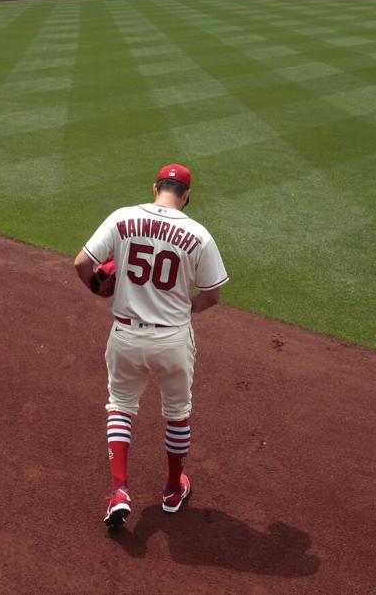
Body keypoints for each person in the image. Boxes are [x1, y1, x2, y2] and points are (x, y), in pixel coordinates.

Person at [73, 164, 228, 529]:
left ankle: (119, 491)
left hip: (126, 334)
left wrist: (100, 289)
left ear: (155, 186)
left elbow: (82, 263)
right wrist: (180, 309)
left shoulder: (122, 218)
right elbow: (213, 295)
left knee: (121, 406)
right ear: (186, 196)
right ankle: (173, 490)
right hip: (173, 339)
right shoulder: (198, 234)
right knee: (177, 413)